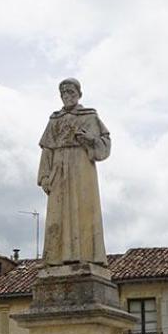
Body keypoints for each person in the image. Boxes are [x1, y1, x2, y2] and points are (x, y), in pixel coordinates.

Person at [36, 78, 111, 265]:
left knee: (85, 210)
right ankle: (56, 259)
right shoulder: (55, 119)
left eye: (71, 92)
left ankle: (88, 257)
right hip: (59, 168)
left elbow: (105, 143)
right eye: (64, 93)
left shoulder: (90, 116)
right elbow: (47, 149)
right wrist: (44, 176)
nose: (67, 96)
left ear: (79, 94)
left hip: (82, 167)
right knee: (57, 213)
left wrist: (89, 140)